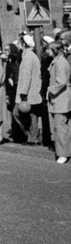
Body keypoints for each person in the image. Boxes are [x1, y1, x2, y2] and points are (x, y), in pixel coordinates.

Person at [46, 30, 71, 164]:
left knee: (60, 127)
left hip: (61, 99)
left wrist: (50, 90)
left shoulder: (60, 63)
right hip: (61, 99)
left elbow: (61, 82)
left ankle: (63, 153)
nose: (47, 52)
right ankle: (65, 151)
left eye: (49, 50)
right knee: (64, 126)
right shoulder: (58, 61)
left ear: (54, 50)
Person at [14, 34, 43, 145]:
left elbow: (26, 76)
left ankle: (33, 137)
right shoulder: (29, 56)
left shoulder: (28, 57)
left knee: (21, 113)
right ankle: (33, 137)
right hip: (31, 91)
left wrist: (23, 93)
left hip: (28, 92)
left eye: (19, 43)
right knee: (30, 115)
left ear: (23, 44)